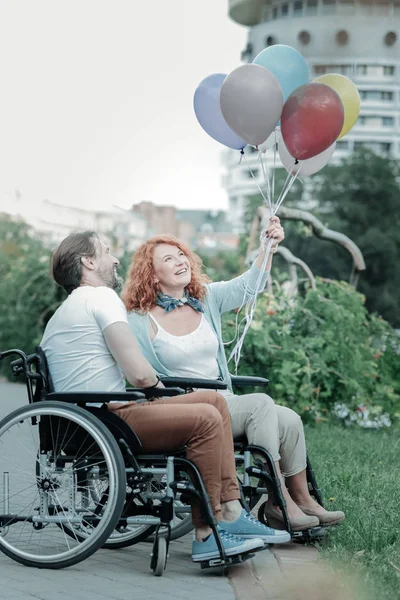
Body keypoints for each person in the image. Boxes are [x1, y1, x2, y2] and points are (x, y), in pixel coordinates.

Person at [40, 231, 291, 564]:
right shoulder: (101, 299)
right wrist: (164, 392)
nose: (116, 260)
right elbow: (140, 375)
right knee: (206, 417)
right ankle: (205, 533)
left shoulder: (69, 309)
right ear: (87, 262)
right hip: (109, 418)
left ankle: (232, 508)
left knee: (213, 400)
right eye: (107, 251)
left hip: (93, 415)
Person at [122, 217, 345, 532]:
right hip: (187, 407)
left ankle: (302, 499)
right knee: (260, 403)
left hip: (224, 402)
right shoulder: (140, 320)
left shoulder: (205, 300)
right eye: (168, 259)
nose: (179, 261)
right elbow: (140, 374)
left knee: (290, 420)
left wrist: (268, 247)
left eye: (181, 254)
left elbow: (248, 286)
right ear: (152, 276)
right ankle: (279, 502)